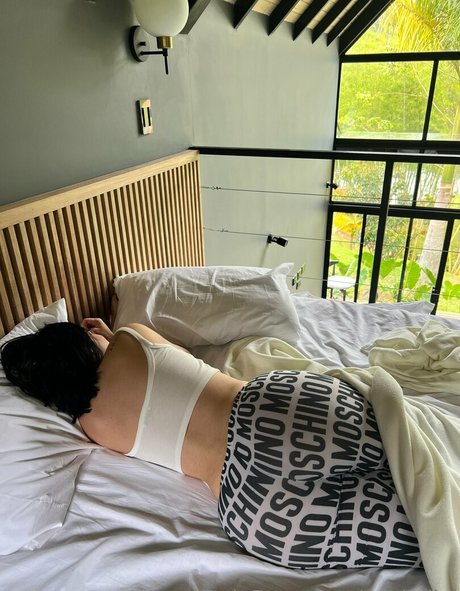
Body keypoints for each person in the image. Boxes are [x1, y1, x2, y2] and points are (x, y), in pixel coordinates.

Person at [0, 319, 421, 570]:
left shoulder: (92, 426)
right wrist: (110, 336)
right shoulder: (132, 337)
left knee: (421, 536)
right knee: (422, 463)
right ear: (80, 343)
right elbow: (180, 360)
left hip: (253, 504)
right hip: (270, 410)